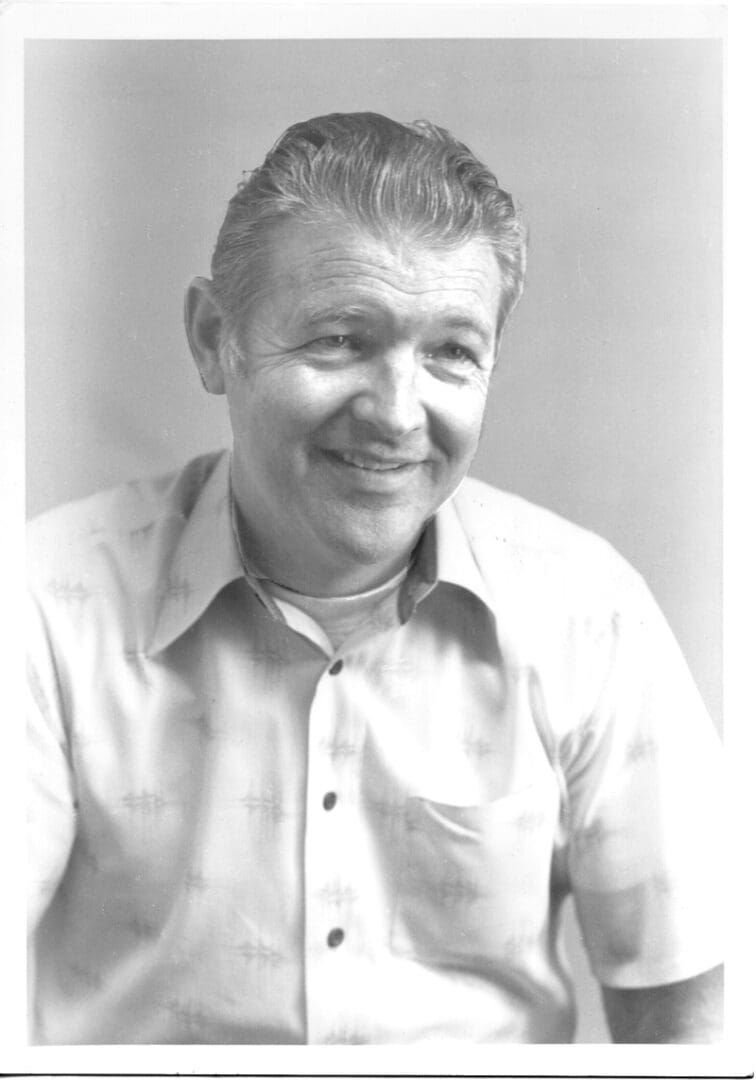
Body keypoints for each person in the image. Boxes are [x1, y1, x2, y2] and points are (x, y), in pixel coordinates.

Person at [27, 111, 723, 1045]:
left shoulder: (589, 617)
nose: (398, 415)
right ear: (211, 339)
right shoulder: (40, 603)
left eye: (451, 353)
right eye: (340, 341)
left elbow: (690, 1019)